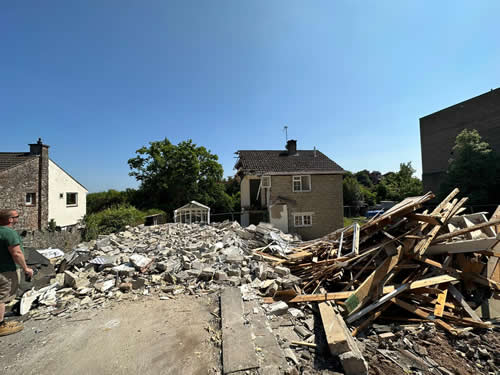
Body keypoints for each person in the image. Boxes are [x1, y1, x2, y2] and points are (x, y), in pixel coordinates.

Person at [0, 209, 33, 336]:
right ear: (10, 219)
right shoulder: (9, 233)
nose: (18, 218)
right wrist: (26, 268)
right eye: (16, 216)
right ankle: (1, 326)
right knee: (2, 297)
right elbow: (16, 253)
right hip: (6, 271)